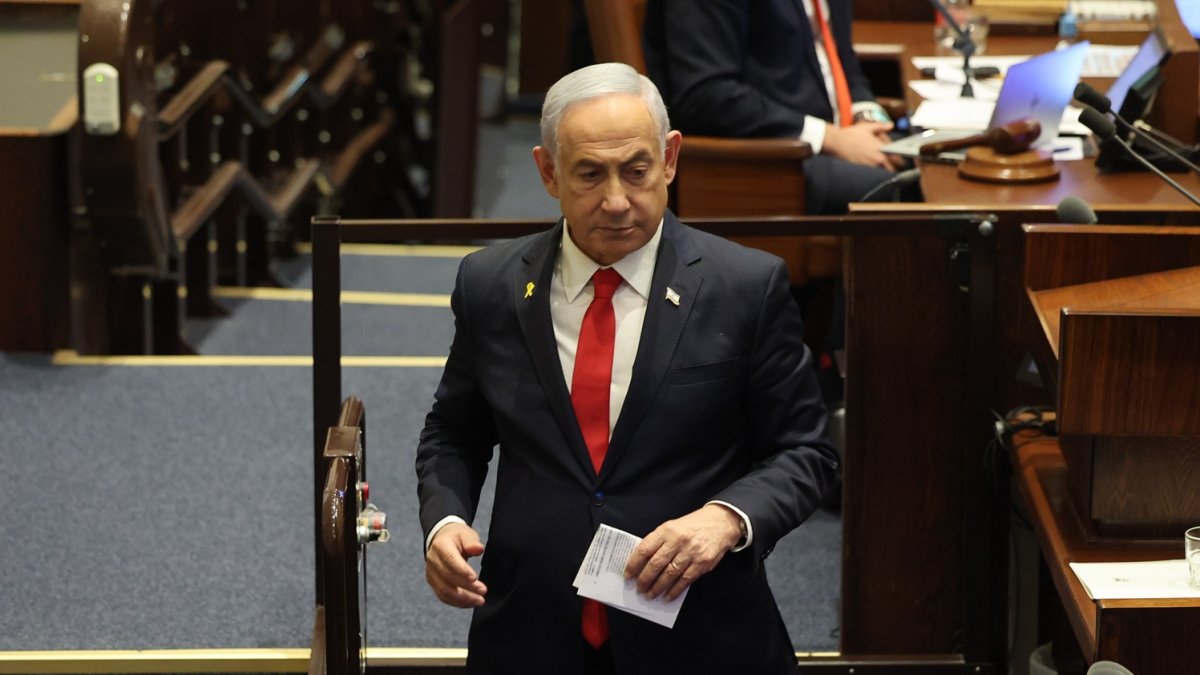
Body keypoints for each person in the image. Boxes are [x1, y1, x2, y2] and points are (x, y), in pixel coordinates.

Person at [415, 62, 838, 674]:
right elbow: (454, 431)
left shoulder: (745, 287)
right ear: (548, 172)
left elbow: (806, 451)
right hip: (533, 633)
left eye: (636, 171)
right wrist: (445, 519)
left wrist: (726, 519)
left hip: (697, 636)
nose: (616, 202)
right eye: (589, 174)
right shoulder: (490, 284)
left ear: (669, 159)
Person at [643, 0, 908, 214]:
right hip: (768, 156)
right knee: (904, 187)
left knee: (927, 157)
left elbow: (843, 61)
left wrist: (868, 118)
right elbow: (705, 95)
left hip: (833, 137)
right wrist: (831, 138)